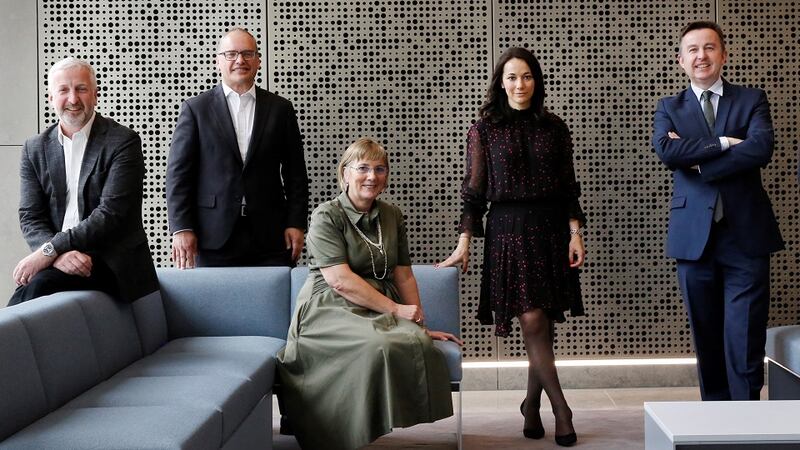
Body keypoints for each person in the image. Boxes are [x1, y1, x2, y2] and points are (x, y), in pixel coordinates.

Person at [439, 47, 585, 447]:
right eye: (511, 77)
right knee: (534, 320)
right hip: (508, 232)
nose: (519, 84)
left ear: (536, 82)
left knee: (542, 326)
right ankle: (562, 410)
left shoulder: (555, 127)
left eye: (527, 77)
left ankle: (531, 405)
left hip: (551, 229)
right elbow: (474, 191)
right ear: (500, 83)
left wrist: (575, 231)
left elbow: (568, 186)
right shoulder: (484, 128)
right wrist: (464, 240)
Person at [277, 138, 462, 450]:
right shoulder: (327, 215)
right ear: (345, 174)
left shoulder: (392, 215)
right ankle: (340, 433)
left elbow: (403, 274)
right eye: (362, 168)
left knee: (414, 340)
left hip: (376, 303)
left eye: (380, 169)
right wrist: (396, 310)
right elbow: (340, 280)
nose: (372, 176)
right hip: (329, 305)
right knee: (377, 345)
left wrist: (417, 321)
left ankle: (371, 425)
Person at [652, 21, 783, 401]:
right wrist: (726, 142)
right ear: (681, 60)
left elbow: (760, 149)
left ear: (723, 55)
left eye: (709, 48)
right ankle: (715, 417)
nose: (701, 56)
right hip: (694, 237)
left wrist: (699, 162)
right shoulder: (669, 107)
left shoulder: (751, 99)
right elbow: (668, 152)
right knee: (706, 334)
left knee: (745, 334)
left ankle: (745, 419)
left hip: (746, 235)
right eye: (692, 49)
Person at [10, 57, 158, 306]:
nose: (73, 99)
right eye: (63, 91)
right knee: (34, 284)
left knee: (37, 285)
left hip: (111, 261)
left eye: (81, 89)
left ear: (95, 94)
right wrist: (57, 255)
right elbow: (30, 215)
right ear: (50, 98)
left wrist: (50, 251)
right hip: (60, 260)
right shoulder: (34, 148)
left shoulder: (123, 142)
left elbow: (110, 215)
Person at [167, 27, 309, 269]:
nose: (239, 60)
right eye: (231, 54)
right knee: (214, 306)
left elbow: (296, 173)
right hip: (212, 235)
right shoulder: (196, 109)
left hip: (271, 235)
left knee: (273, 305)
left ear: (258, 61)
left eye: (247, 53)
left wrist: (296, 223)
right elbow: (178, 175)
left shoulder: (280, 109)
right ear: (218, 61)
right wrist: (182, 227)